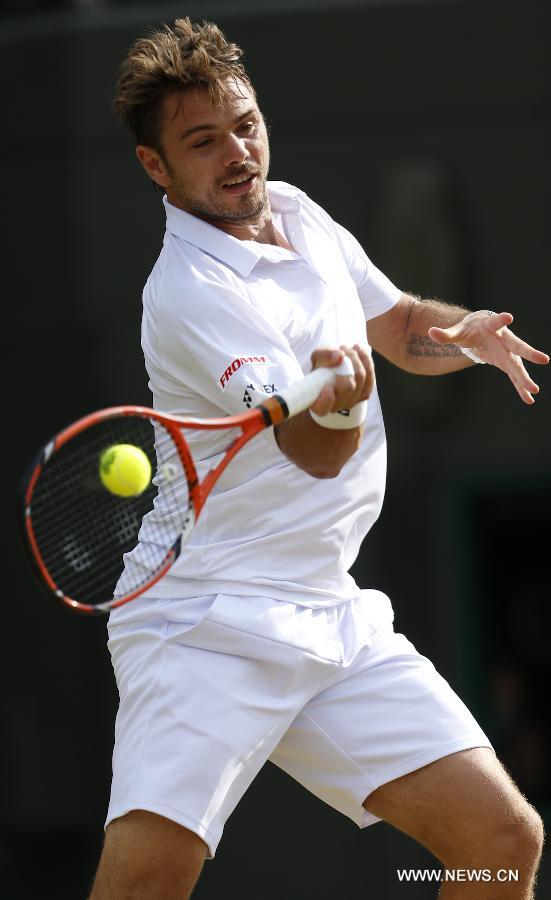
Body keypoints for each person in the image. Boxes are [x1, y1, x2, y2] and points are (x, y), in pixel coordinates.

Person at [90, 18, 548, 899]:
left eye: (245, 125)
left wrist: (460, 337)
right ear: (157, 167)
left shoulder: (296, 211)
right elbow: (312, 452)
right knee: (146, 888)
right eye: (202, 141)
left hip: (324, 609)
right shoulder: (188, 294)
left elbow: (402, 328)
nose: (237, 153)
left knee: (499, 838)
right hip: (204, 625)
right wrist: (338, 406)